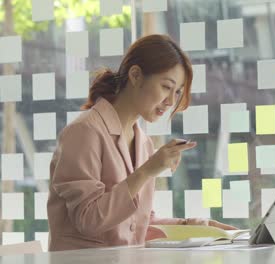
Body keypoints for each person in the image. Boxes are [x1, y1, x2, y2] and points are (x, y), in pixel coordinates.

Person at [47, 34, 236, 251]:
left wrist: (194, 226)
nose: (171, 101)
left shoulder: (143, 143)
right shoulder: (84, 132)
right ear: (135, 75)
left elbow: (134, 224)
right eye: (166, 87)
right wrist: (146, 171)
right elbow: (89, 220)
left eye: (177, 92)